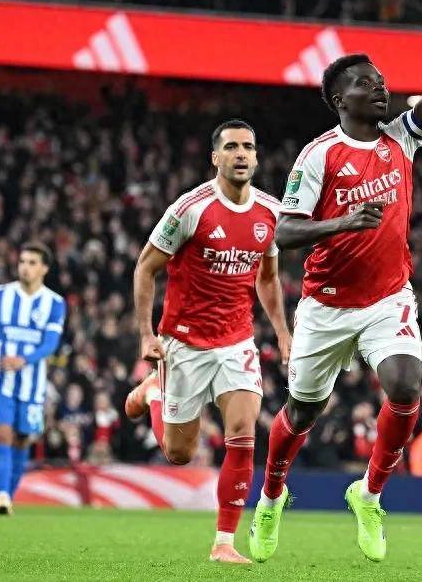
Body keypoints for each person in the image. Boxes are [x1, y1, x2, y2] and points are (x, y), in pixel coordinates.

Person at [248, 0, 422, 564]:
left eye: (381, 81)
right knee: (302, 411)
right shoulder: (319, 155)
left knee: (406, 386)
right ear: (341, 99)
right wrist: (342, 222)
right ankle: (272, 496)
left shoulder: (400, 138)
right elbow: (283, 231)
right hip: (326, 304)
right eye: (365, 83)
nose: (380, 89)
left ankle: (370, 493)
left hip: (388, 297)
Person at [124, 119, 291, 564]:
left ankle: (224, 543)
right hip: (184, 342)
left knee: (243, 433)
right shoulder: (190, 209)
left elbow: (268, 278)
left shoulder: (270, 212)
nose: (241, 154)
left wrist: (282, 332)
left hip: (237, 340)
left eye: (248, 147)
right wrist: (146, 334)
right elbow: (145, 268)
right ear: (215, 157)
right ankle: (154, 391)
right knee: (179, 453)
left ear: (256, 157)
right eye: (231, 147)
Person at [0, 242, 66, 515]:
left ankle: (9, 494)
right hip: (0, 382)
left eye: (32, 263)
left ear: (44, 268)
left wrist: (24, 360)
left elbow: (50, 344)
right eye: (22, 262)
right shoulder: (0, 295)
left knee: (22, 440)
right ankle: (2, 496)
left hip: (32, 386)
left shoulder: (54, 303)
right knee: (2, 434)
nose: (25, 268)